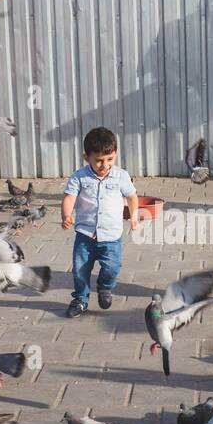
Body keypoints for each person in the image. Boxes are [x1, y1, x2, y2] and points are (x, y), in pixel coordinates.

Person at [61, 127, 139, 317]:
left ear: (115, 154)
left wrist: (134, 215)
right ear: (86, 157)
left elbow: (132, 196)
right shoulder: (79, 177)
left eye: (109, 159)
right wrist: (66, 215)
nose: (104, 165)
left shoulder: (121, 176)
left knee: (113, 267)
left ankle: (104, 287)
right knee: (80, 270)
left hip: (111, 236)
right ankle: (80, 299)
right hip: (85, 236)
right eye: (98, 161)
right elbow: (69, 197)